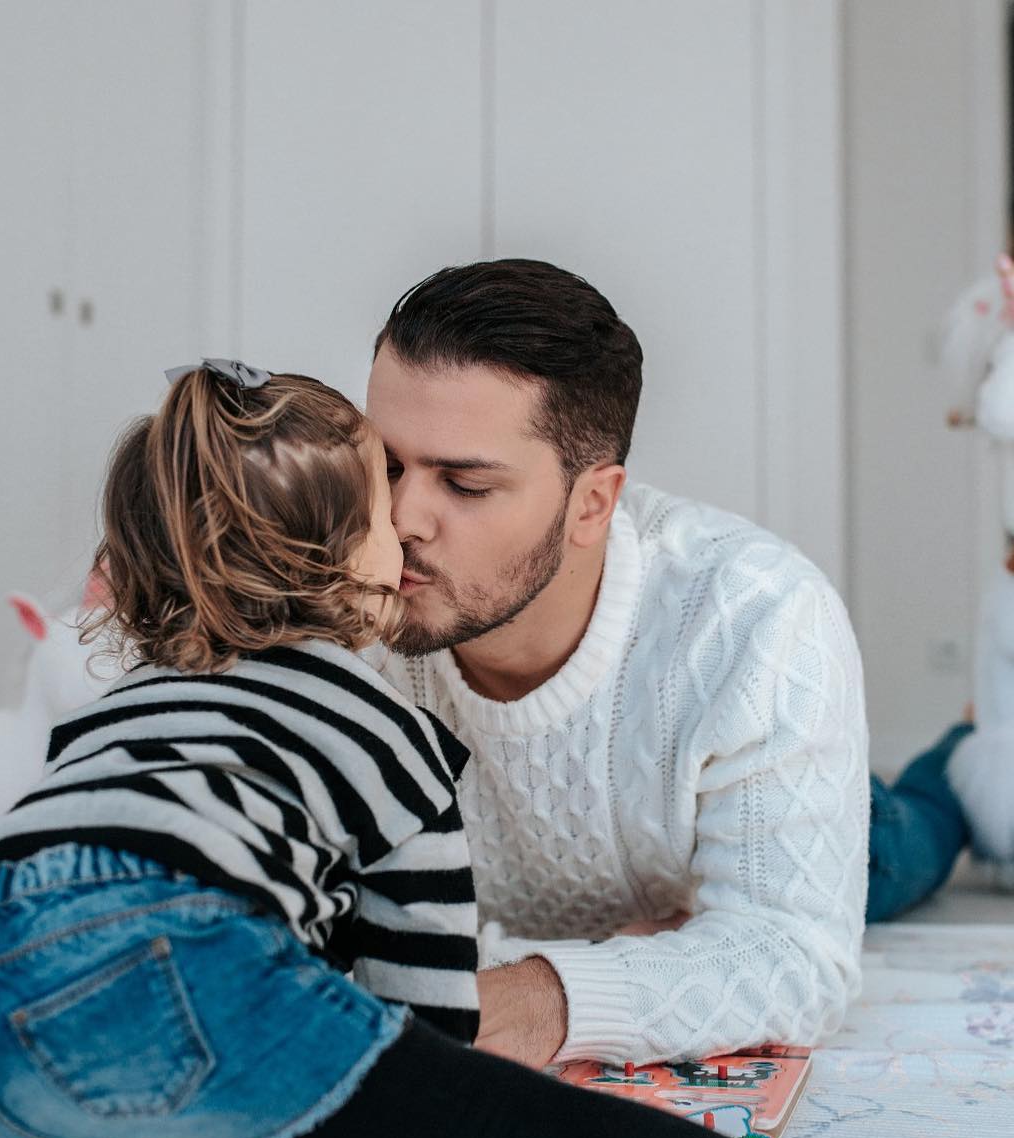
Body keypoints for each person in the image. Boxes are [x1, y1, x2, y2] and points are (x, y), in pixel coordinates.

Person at [0, 359, 1013, 1138]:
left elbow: (67, 867)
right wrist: (418, 1102)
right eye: (380, 509)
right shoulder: (381, 729)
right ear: (335, 563)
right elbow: (428, 1016)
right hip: (168, 943)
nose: (406, 529)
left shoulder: (129, 703)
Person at [365, 258, 975, 1073]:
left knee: (906, 842)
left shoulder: (757, 616)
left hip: (737, 816)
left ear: (593, 503)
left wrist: (534, 994)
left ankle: (961, 765)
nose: (401, 519)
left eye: (465, 484)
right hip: (649, 874)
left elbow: (794, 957)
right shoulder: (336, 587)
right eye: (387, 464)